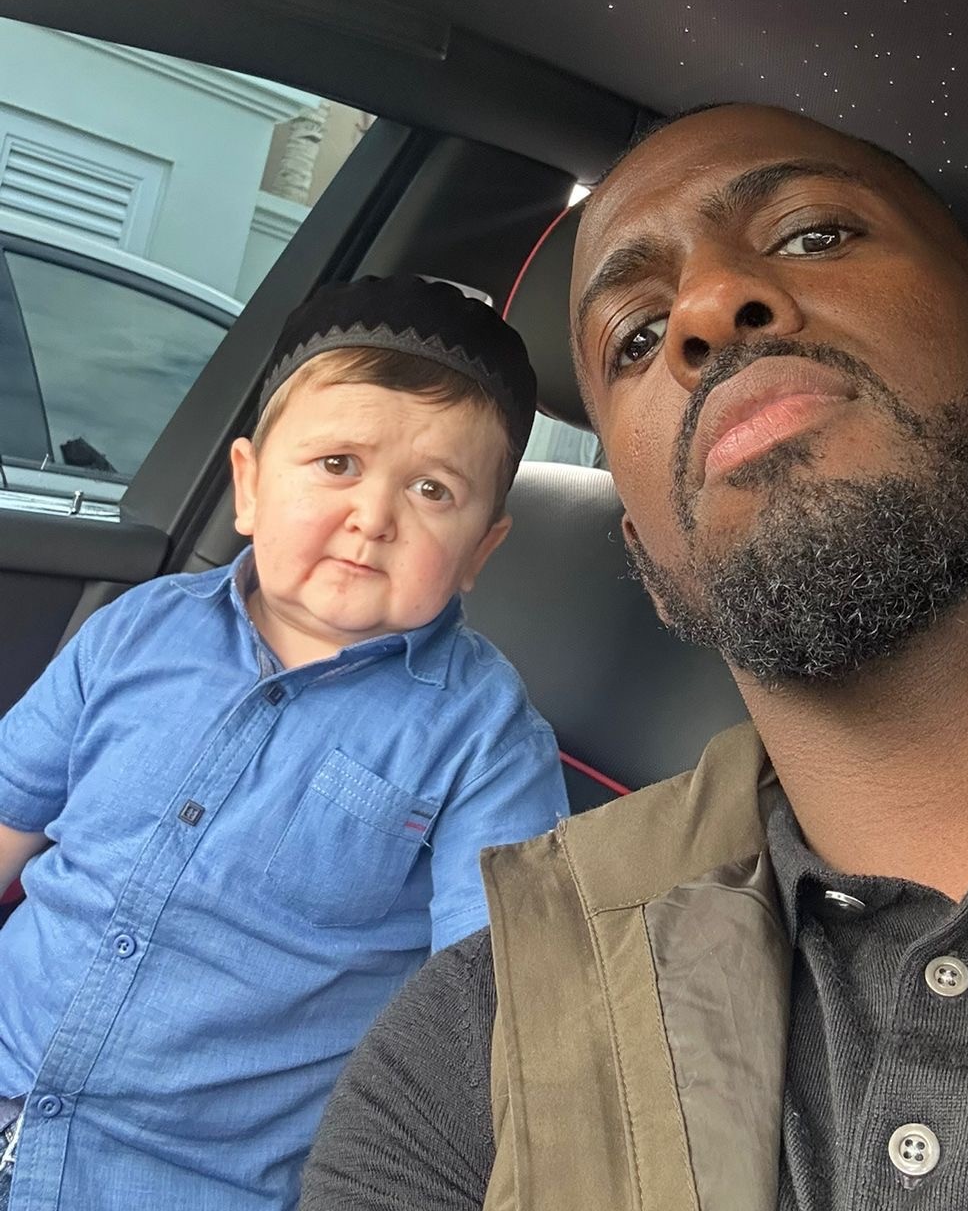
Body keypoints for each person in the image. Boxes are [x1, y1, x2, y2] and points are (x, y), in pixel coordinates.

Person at [300, 105, 968, 1211]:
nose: (708, 308)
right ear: (649, 557)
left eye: (814, 234)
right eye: (635, 336)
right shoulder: (489, 1040)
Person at [0, 274, 569, 1211]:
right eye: (337, 464)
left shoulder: (484, 737)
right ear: (250, 486)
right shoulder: (137, 632)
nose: (374, 515)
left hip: (195, 1181)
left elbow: (494, 1004)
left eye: (432, 489)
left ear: (479, 552)